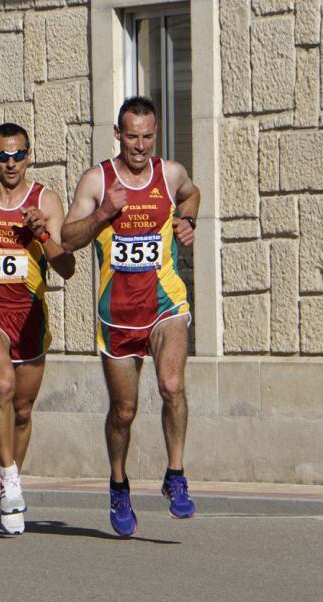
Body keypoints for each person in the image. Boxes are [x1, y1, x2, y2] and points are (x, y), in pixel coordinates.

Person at [60, 96, 200, 537]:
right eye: (131, 136)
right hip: (116, 312)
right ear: (117, 135)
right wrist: (103, 214)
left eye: (147, 136)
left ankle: (175, 474)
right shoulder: (97, 181)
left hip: (165, 302)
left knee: (172, 384)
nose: (139, 146)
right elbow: (67, 237)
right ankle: (119, 483)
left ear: (154, 134)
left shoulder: (169, 173)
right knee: (124, 409)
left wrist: (188, 219)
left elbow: (191, 194)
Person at [0, 123, 75, 535]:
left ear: (29, 156)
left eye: (17, 155)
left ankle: (9, 478)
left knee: (23, 411)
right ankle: (10, 481)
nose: (10, 163)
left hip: (28, 313)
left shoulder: (45, 199)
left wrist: (42, 233)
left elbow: (67, 268)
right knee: (2, 386)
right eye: (1, 156)